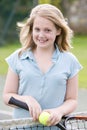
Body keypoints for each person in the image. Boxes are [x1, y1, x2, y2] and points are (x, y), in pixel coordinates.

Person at [3, 3, 82, 128]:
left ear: (58, 31)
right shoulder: (17, 57)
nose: (41, 35)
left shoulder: (70, 61)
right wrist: (27, 99)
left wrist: (59, 111)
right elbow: (7, 96)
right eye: (37, 29)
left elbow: (72, 100)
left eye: (48, 30)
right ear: (31, 29)